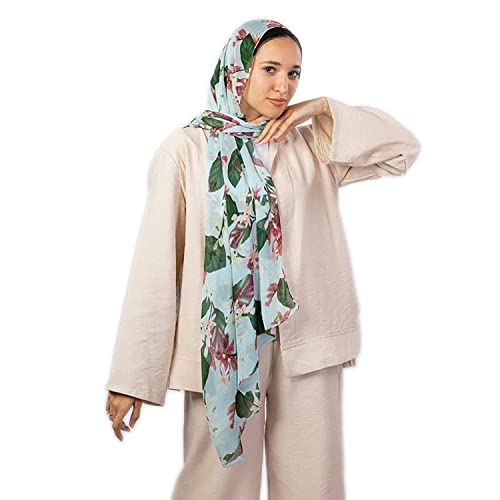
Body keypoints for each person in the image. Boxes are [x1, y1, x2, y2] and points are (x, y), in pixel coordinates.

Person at [105, 18, 421, 499]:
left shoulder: (311, 143)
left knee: (313, 483)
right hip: (221, 347)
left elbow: (402, 150)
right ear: (238, 69)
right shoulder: (187, 149)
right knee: (216, 486)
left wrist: (321, 108)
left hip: (306, 335)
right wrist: (133, 377)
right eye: (270, 69)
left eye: (294, 74)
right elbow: (156, 264)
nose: (283, 86)